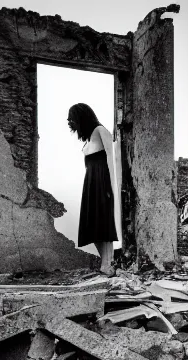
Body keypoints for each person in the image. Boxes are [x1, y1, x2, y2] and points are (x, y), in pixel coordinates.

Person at [67, 103, 118, 275]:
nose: (70, 123)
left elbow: (113, 159)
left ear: (82, 117)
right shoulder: (89, 138)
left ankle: (108, 264)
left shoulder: (100, 131)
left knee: (104, 223)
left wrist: (112, 186)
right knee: (92, 224)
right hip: (90, 184)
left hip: (103, 182)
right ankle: (105, 263)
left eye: (73, 119)